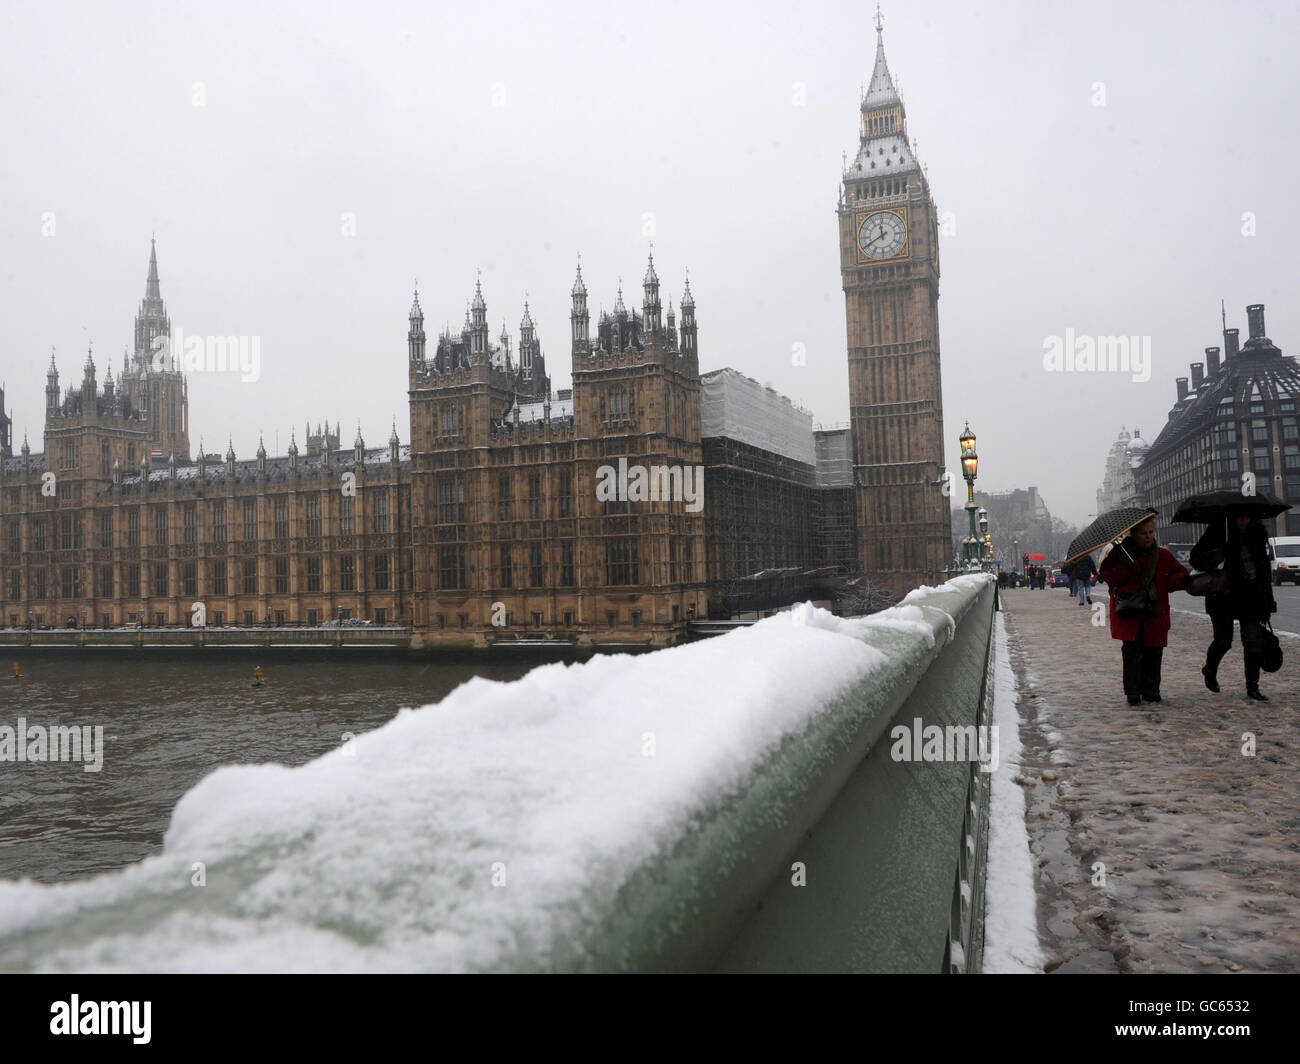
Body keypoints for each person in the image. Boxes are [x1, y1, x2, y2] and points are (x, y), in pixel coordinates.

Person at [1099, 518, 1189, 706]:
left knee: (1154, 650)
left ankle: (1151, 689)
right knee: (1132, 651)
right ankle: (1133, 691)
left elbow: (1176, 576)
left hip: (1155, 611)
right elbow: (1109, 576)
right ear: (1134, 535)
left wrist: (1181, 582)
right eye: (1143, 533)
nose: (1148, 536)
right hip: (1130, 612)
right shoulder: (1120, 554)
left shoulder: (1163, 555)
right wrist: (1127, 569)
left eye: (1151, 532)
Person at [1190, 512, 1277, 701]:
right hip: (1222, 596)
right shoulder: (1218, 532)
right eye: (1239, 516)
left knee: (1252, 641)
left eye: (1246, 516)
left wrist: (1268, 602)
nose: (1243, 520)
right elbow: (1195, 558)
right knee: (1223, 641)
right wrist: (1217, 555)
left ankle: (1252, 686)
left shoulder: (1258, 535)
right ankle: (1210, 669)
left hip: (1251, 596)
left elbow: (1264, 572)